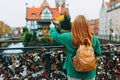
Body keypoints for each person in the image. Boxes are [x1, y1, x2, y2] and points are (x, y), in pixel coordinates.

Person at [49, 15, 102, 80]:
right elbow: (98, 52)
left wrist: (52, 28)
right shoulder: (94, 38)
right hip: (90, 72)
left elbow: (56, 36)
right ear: (87, 26)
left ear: (74, 25)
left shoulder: (68, 37)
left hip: (73, 71)